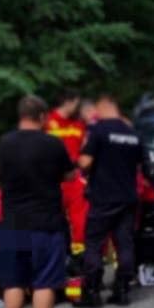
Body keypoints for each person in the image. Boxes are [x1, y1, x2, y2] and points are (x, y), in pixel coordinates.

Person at [0, 95, 75, 308]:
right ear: (42, 117)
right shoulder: (52, 144)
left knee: (13, 279)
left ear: (20, 116)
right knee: (44, 279)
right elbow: (70, 174)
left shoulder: (4, 144)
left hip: (11, 222)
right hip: (45, 221)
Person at [77, 95, 142, 307]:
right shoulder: (132, 133)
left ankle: (92, 291)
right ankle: (122, 290)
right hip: (128, 197)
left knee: (94, 243)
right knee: (124, 243)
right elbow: (143, 164)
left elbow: (85, 163)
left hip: (103, 197)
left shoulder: (98, 131)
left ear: (103, 106)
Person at [44, 89, 89, 272]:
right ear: (68, 102)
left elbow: (85, 149)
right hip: (51, 179)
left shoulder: (79, 124)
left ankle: (81, 262)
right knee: (54, 222)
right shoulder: (47, 122)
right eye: (76, 102)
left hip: (74, 178)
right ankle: (59, 261)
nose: (78, 107)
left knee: (81, 221)